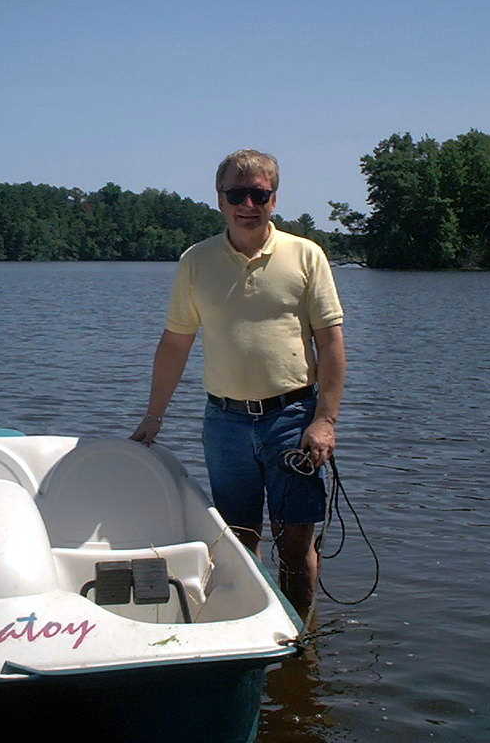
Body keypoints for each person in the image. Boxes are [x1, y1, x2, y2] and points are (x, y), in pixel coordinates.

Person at [130, 148, 346, 619]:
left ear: (274, 198)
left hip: (293, 419)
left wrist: (324, 420)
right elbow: (175, 344)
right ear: (219, 198)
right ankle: (255, 630)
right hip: (224, 423)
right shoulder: (196, 261)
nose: (248, 204)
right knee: (239, 540)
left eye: (259, 194)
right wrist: (153, 417)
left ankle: (298, 639)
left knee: (294, 542)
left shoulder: (305, 255)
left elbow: (331, 344)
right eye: (237, 194)